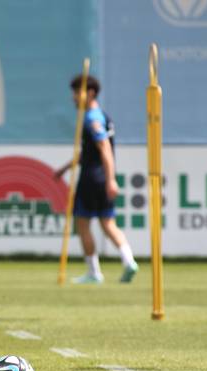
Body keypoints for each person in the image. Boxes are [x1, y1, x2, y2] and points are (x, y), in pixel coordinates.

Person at [55, 75, 138, 284]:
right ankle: (129, 262)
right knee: (108, 223)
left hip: (92, 179)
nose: (74, 98)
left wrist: (111, 179)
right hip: (101, 178)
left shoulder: (92, 119)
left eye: (76, 92)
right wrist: (65, 168)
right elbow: (88, 153)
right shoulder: (103, 116)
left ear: (90, 92)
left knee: (82, 224)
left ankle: (94, 272)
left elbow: (105, 150)